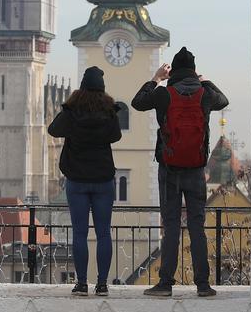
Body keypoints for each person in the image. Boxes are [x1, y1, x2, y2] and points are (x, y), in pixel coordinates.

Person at [132, 47, 229, 297]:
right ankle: (203, 284)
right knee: (197, 226)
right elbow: (224, 100)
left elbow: (137, 102)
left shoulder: (164, 94)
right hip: (196, 170)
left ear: (172, 71)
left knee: (172, 225)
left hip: (169, 169)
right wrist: (204, 80)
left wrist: (155, 79)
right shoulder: (204, 94)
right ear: (194, 71)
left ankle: (165, 283)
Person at [47, 66, 122, 297]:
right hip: (102, 180)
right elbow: (115, 136)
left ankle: (81, 283)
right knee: (103, 233)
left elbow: (53, 129)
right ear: (102, 88)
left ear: (82, 87)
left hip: (77, 180)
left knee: (79, 233)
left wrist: (68, 111)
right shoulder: (109, 110)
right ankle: (102, 284)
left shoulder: (72, 111)